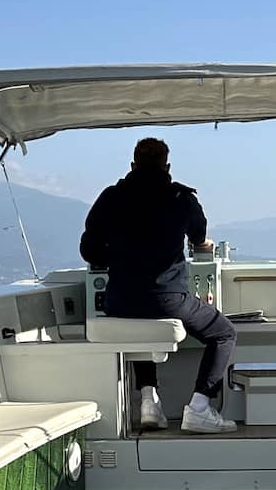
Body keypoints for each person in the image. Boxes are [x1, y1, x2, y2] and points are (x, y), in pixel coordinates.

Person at [80, 137, 237, 432]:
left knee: (138, 323)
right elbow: (199, 236)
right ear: (167, 166)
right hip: (168, 298)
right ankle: (199, 407)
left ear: (133, 165)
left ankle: (149, 402)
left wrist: (116, 257)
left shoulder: (111, 197)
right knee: (224, 333)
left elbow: (89, 250)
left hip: (120, 300)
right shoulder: (180, 198)